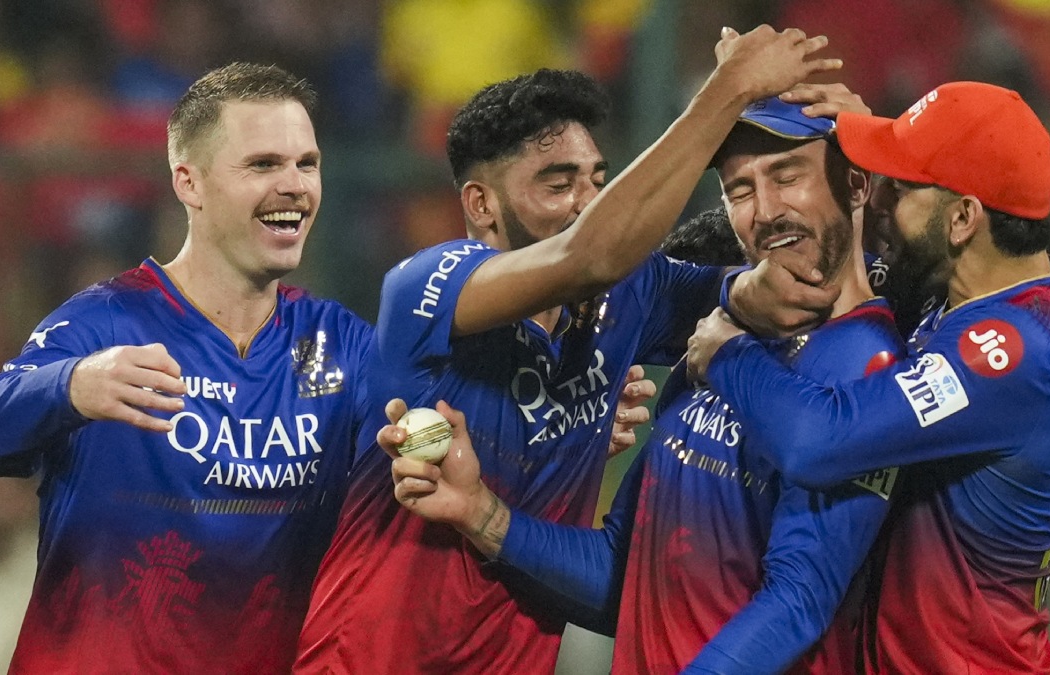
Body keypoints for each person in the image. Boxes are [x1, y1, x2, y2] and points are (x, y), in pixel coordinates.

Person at [295, 26, 842, 674]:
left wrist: (847, 143)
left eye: (597, 181)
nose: (587, 202)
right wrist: (726, 92)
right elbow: (588, 257)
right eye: (558, 185)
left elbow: (789, 288)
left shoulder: (630, 296)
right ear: (482, 205)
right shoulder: (426, 288)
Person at [383, 94, 905, 673]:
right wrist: (482, 514)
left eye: (787, 177)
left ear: (857, 186)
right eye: (739, 190)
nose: (765, 209)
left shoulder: (870, 365)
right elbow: (624, 574)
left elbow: (800, 600)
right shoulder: (713, 348)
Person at [690, 81, 1050, 673]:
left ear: (962, 219)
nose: (878, 201)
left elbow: (820, 443)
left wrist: (727, 352)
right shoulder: (972, 295)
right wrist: (886, 139)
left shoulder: (1016, 351)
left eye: (900, 189)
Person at [0, 63, 374, 673]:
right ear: (189, 183)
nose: (294, 185)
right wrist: (70, 386)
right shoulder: (107, 322)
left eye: (307, 163)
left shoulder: (339, 344)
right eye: (263, 165)